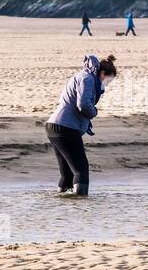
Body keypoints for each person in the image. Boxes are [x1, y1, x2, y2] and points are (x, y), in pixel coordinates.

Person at [45, 54, 117, 197]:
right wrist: (94, 112)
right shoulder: (88, 79)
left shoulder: (81, 76)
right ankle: (82, 205)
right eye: (108, 80)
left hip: (54, 126)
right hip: (66, 128)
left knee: (67, 173)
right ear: (102, 73)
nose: (107, 84)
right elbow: (83, 105)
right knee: (81, 170)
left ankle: (64, 207)